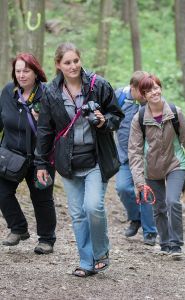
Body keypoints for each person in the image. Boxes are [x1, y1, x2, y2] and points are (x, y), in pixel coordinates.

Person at [35, 43, 124, 277]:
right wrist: (41, 163)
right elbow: (44, 130)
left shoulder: (98, 85)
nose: (73, 66)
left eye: (76, 61)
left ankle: (101, 253)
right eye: (67, 62)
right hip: (68, 162)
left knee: (93, 206)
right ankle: (87, 262)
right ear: (58, 65)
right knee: (77, 214)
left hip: (96, 159)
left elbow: (117, 115)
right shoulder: (51, 93)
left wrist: (104, 121)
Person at [128, 74, 185, 259]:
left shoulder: (174, 112)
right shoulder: (138, 119)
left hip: (175, 164)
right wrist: (139, 181)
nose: (154, 92)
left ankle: (176, 244)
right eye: (148, 90)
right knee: (159, 208)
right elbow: (135, 152)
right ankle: (164, 242)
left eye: (156, 87)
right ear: (143, 95)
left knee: (173, 201)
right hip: (151, 169)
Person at [0, 53, 56, 254]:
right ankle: (18, 228)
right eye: (18, 71)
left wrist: (42, 120)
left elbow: (58, 127)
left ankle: (47, 240)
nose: (22, 75)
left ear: (36, 72)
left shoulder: (47, 94)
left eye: (26, 70)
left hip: (40, 158)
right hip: (10, 155)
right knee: (2, 192)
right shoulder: (8, 91)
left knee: (41, 198)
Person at [115, 71, 157, 245]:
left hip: (144, 157)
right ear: (132, 88)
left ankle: (150, 231)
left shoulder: (149, 102)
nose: (146, 95)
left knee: (145, 191)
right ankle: (135, 218)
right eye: (143, 91)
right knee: (123, 188)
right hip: (124, 156)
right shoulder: (118, 96)